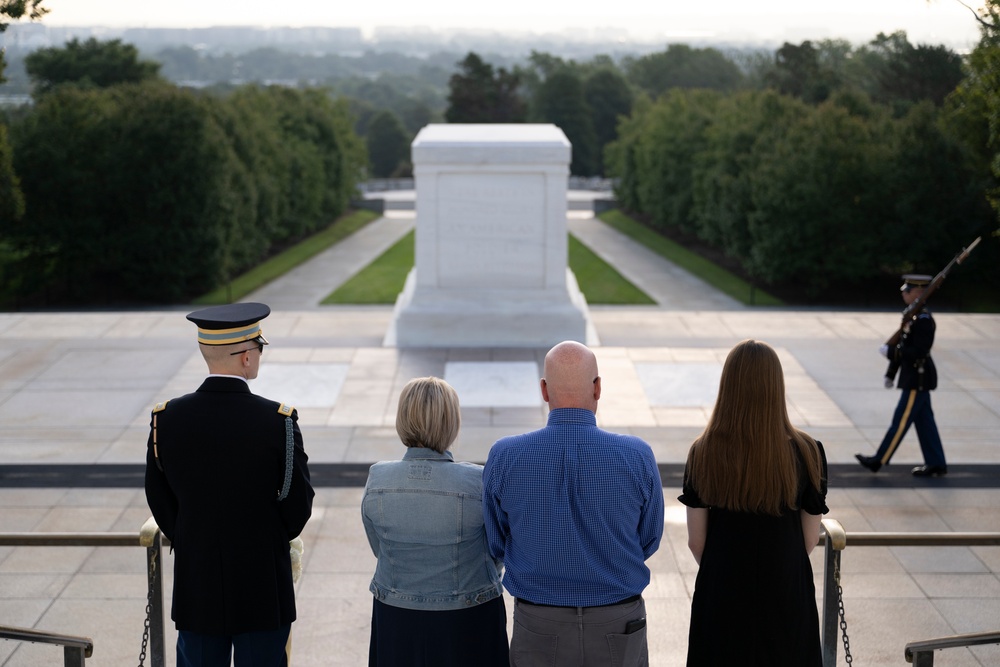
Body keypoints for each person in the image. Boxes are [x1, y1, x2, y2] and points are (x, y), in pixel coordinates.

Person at [145, 303, 314, 667]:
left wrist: (195, 534)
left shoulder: (166, 418)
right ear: (245, 358)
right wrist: (265, 537)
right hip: (262, 587)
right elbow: (297, 505)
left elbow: (160, 498)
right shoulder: (278, 420)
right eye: (259, 349)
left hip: (197, 583)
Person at [483, 340, 664, 667]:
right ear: (597, 388)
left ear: (544, 390)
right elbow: (648, 539)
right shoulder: (636, 455)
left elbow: (497, 541)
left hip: (539, 621)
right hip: (618, 619)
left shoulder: (505, 456)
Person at [679, 339, 828, 667]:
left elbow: (696, 541)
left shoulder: (702, 451)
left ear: (728, 385)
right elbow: (809, 539)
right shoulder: (807, 451)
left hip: (722, 587)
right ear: (777, 386)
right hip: (785, 588)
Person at [362, 376, 508, 667]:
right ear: (451, 421)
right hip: (469, 618)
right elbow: (498, 549)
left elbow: (379, 548)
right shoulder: (477, 481)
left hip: (397, 618)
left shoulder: (378, 478)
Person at [856, 274, 947, 477]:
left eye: (908, 290)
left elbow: (919, 352)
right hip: (914, 378)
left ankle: (878, 460)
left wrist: (891, 353)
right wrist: (890, 373)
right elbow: (903, 345)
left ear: (919, 293)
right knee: (925, 423)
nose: (904, 293)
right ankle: (936, 463)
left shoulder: (923, 320)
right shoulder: (913, 316)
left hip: (918, 379)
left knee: (900, 422)